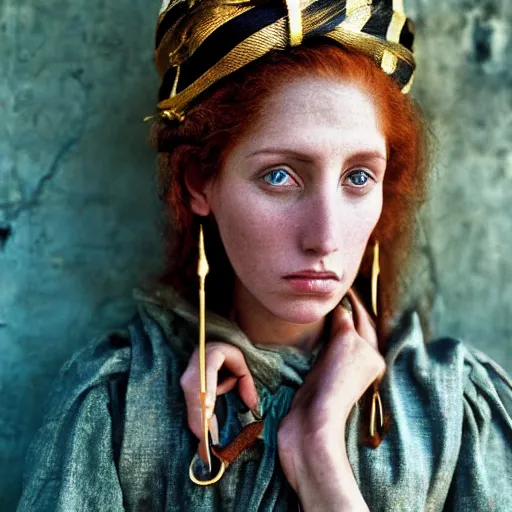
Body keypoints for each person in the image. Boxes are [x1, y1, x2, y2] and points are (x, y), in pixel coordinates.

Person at [18, 0, 512, 510]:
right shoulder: (117, 406)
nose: (324, 237)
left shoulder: (453, 407)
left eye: (358, 178)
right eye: (280, 175)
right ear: (198, 183)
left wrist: (320, 449)